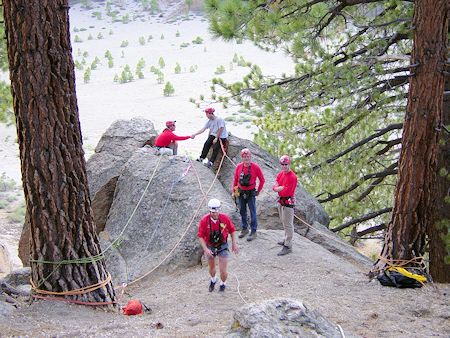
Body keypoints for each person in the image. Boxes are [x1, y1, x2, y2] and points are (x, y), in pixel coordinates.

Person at [198, 198, 239, 292]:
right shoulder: (204, 221)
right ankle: (213, 279)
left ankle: (223, 283)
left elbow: (232, 230)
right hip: (210, 245)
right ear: (210, 211)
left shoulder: (224, 218)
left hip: (222, 245)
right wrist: (206, 249)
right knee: (212, 267)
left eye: (216, 212)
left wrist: (234, 244)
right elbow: (200, 236)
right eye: (212, 212)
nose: (214, 214)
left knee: (223, 270)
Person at [232, 148, 265, 242]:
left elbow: (262, 179)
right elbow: (235, 180)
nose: (246, 158)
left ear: (250, 156)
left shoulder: (255, 167)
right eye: (244, 157)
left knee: (252, 212)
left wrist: (258, 191)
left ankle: (253, 231)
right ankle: (245, 228)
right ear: (241, 157)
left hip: (251, 192)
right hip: (241, 192)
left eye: (248, 156)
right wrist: (235, 192)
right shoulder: (239, 167)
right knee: (242, 211)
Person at [272, 155, 298, 256]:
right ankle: (286, 239)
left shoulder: (293, 177)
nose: (284, 166)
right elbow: (275, 185)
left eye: (286, 164)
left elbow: (286, 191)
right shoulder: (280, 174)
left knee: (288, 224)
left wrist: (279, 189)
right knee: (283, 221)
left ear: (289, 164)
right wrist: (278, 188)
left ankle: (288, 245)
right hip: (281, 201)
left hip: (288, 202)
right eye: (282, 165)